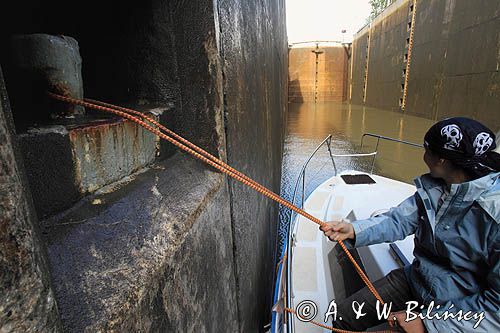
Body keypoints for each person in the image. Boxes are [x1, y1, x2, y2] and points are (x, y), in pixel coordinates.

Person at [320, 117, 500, 332]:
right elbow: (398, 220)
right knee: (343, 317)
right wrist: (353, 230)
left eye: (427, 150)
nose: (424, 156)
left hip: (461, 307)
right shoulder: (438, 188)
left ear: (441, 160)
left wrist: (428, 325)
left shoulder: (494, 215)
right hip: (415, 280)